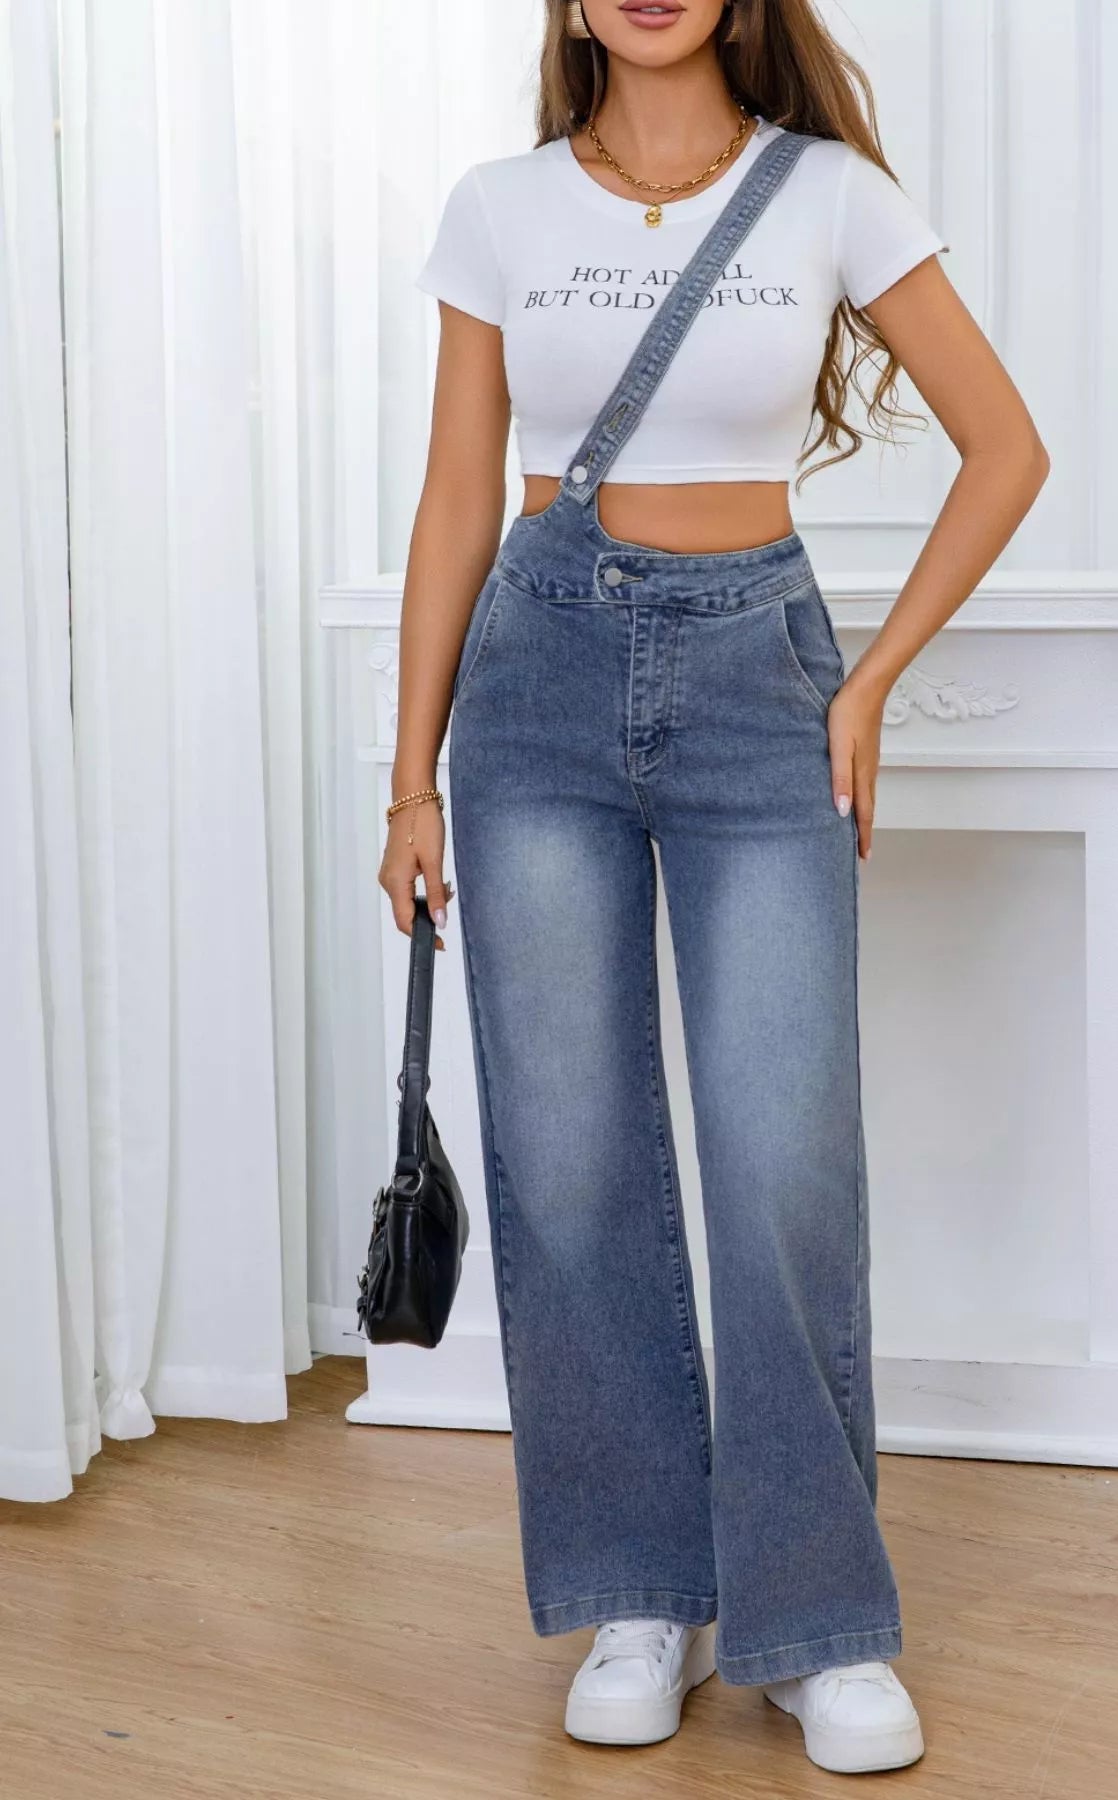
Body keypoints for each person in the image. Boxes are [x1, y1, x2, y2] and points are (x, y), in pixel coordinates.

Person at [382, 0, 1048, 1776]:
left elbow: (1007, 447)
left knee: (778, 1162)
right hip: (531, 697)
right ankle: (640, 1592)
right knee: (573, 1159)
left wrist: (868, 681)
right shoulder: (500, 204)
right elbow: (459, 496)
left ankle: (819, 1621)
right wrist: (407, 777)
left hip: (762, 687)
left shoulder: (827, 194)